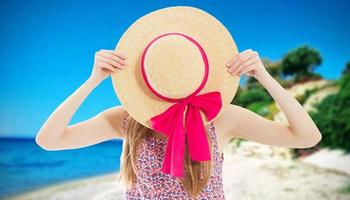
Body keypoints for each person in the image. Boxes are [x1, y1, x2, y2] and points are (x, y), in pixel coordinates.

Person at [36, 48, 322, 199]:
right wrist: (93, 81)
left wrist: (264, 76)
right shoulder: (128, 118)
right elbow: (49, 140)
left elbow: (307, 136)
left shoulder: (221, 118)